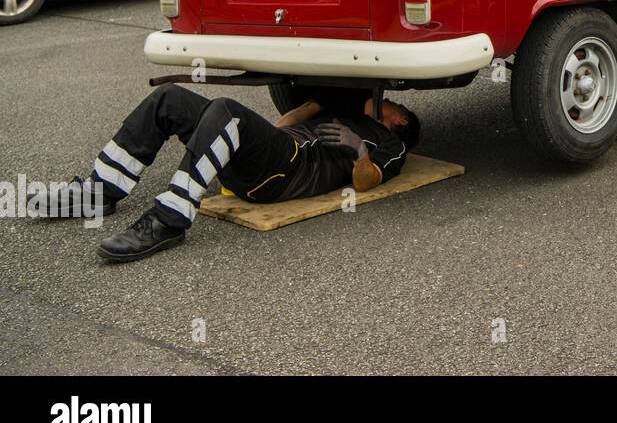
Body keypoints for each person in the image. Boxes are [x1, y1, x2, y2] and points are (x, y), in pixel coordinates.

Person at [29, 84, 420, 261]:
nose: (379, 99)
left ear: (399, 119)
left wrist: (357, 148)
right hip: (275, 155)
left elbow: (367, 183)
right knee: (171, 98)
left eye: (389, 103)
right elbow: (283, 126)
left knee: (227, 110)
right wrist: (316, 105)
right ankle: (101, 190)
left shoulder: (391, 144)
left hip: (292, 171)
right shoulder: (344, 113)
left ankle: (169, 220)